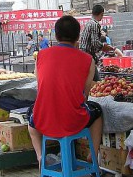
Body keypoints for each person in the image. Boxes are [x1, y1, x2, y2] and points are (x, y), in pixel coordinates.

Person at [28, 15, 103, 166]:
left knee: (31, 116)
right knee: (98, 111)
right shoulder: (88, 60)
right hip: (74, 120)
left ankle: (40, 156)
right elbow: (85, 95)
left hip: (43, 118)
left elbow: (40, 84)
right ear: (78, 36)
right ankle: (93, 155)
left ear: (56, 35)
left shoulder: (41, 56)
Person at [79, 4, 114, 80]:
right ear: (101, 14)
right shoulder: (95, 24)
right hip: (87, 57)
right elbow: (95, 43)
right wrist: (104, 47)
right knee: (97, 81)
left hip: (83, 56)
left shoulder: (89, 23)